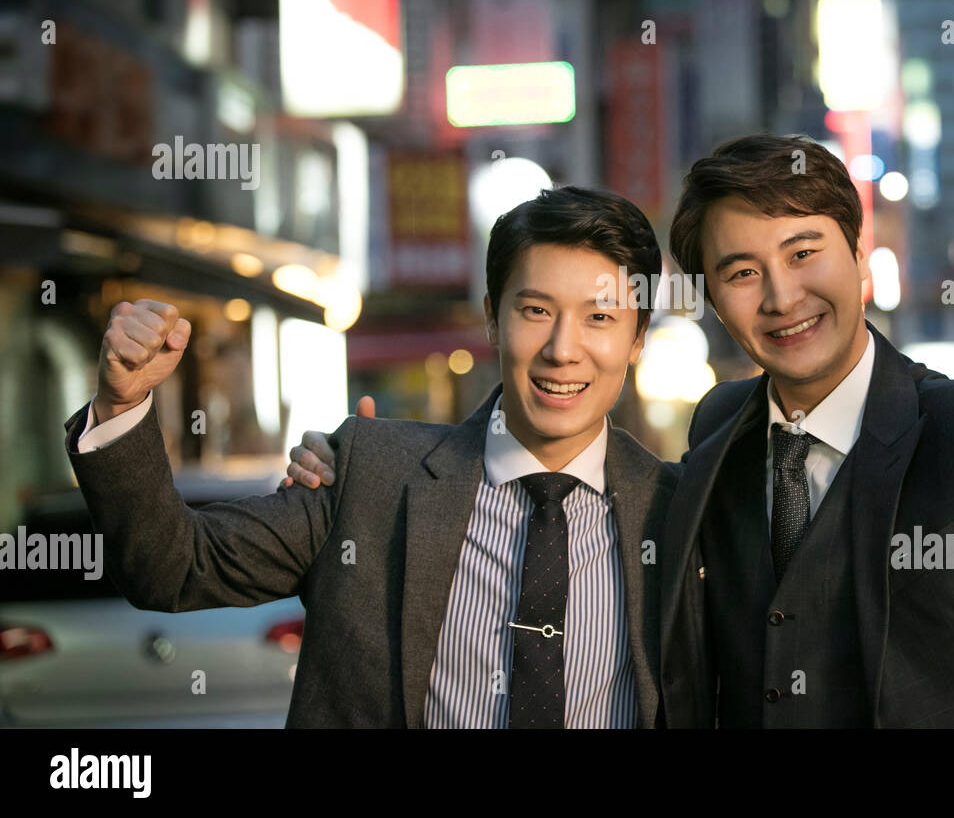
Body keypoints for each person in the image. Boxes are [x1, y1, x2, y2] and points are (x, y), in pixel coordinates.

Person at [290, 134, 954, 728]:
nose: (780, 296)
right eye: (740, 271)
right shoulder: (717, 434)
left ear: (859, 254)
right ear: (714, 299)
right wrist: (370, 471)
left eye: (804, 253)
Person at [65, 186, 678, 728]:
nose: (562, 350)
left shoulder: (680, 512)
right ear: (493, 318)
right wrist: (123, 404)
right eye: (536, 311)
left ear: (637, 338)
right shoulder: (371, 475)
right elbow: (172, 568)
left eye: (599, 317)